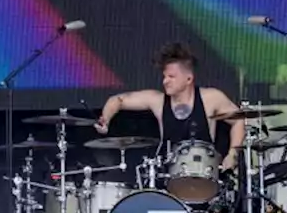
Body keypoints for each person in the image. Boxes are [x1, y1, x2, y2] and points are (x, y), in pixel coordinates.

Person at [95, 43, 244, 172]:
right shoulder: (157, 101)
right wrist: (106, 118)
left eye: (171, 77)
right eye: (164, 76)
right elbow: (118, 100)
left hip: (205, 175)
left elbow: (239, 120)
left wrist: (232, 154)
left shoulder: (211, 98)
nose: (165, 81)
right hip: (170, 177)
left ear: (188, 79)